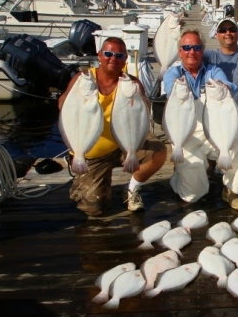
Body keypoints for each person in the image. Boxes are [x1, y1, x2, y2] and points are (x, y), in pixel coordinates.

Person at [58, 37, 167, 217]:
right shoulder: (82, 79)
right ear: (100, 55)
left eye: (119, 55)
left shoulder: (131, 84)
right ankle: (91, 180)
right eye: (108, 54)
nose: (113, 58)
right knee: (94, 208)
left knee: (159, 151)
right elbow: (62, 105)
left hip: (125, 145)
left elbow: (143, 114)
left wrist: (139, 99)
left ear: (125, 59)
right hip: (90, 153)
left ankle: (131, 188)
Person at [162, 28, 238, 210]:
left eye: (196, 47)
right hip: (186, 136)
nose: (191, 51)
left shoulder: (212, 70)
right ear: (180, 52)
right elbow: (172, 94)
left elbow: (228, 85)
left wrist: (223, 86)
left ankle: (231, 190)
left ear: (202, 50)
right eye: (186, 47)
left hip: (213, 132)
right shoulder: (173, 74)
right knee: (193, 196)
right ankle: (180, 177)